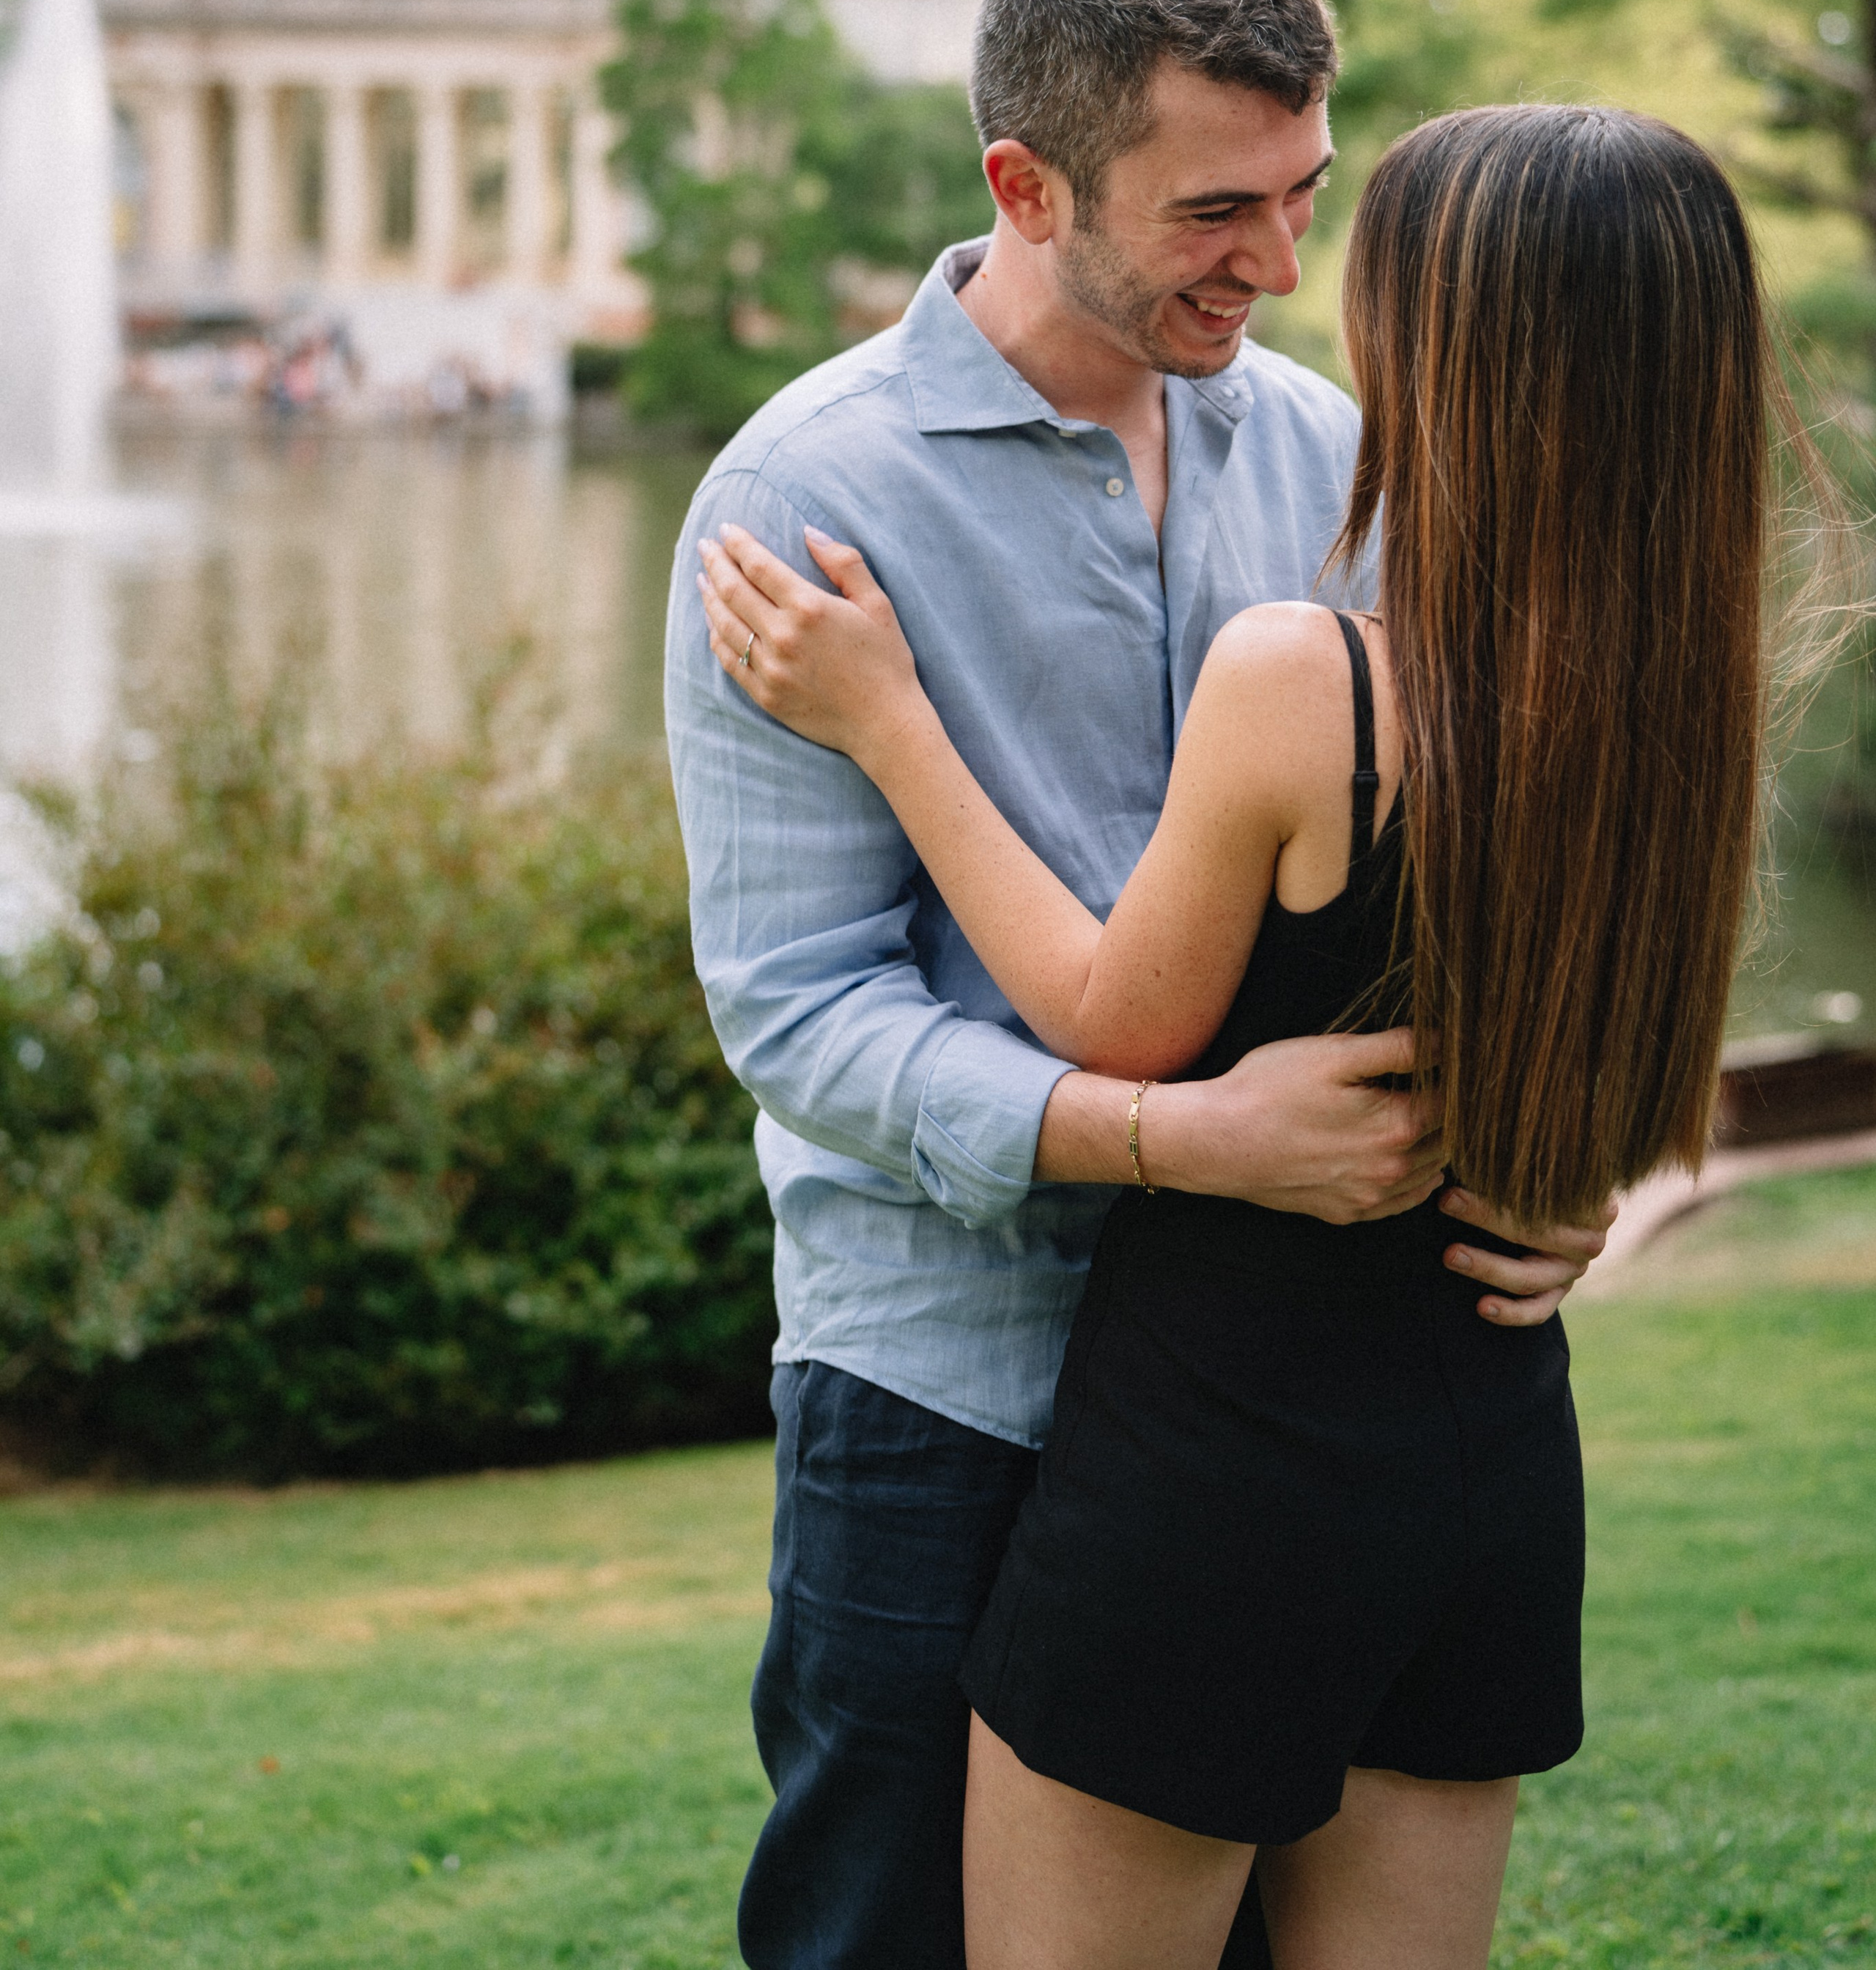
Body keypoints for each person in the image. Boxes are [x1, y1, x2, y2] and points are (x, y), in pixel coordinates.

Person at [697, 101, 1806, 1970]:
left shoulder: (1309, 672)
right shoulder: (1678, 703)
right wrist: (1563, 1181)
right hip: (1486, 1456)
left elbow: (1113, 1026)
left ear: (1458, 347)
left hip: (1218, 1464)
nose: (1300, 281)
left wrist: (886, 721)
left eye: (1345, 243)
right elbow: (1606, 1048)